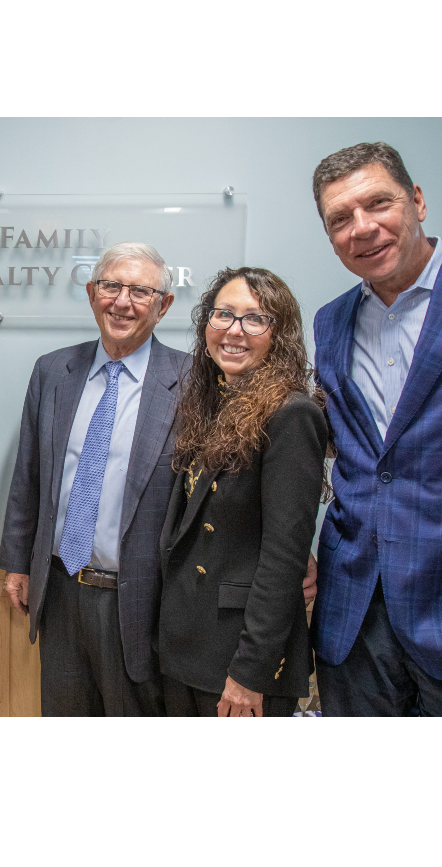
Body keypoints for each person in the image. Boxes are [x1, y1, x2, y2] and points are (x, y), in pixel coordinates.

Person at [311, 141, 442, 716]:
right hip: (352, 608)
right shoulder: (330, 322)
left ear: (419, 200)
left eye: (379, 203)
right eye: (340, 219)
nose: (363, 228)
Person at [0, 242, 186, 716]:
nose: (122, 302)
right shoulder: (52, 371)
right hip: (60, 591)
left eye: (140, 291)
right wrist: (18, 563)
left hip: (142, 600)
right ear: (91, 293)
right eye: (111, 286)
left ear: (163, 305)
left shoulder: (193, 381)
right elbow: (29, 476)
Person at [158, 268, 328, 716]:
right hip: (186, 643)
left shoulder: (292, 414)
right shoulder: (209, 403)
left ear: (280, 334)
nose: (235, 331)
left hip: (240, 660)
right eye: (224, 315)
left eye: (255, 319)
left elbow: (283, 556)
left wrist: (250, 673)